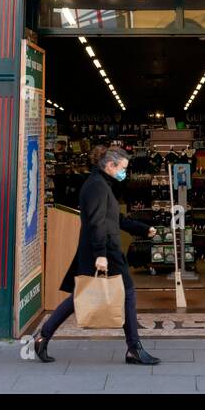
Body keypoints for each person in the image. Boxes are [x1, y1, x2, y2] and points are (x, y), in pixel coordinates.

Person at [33, 147, 160, 365]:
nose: (124, 173)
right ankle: (134, 348)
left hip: (102, 250)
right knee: (127, 294)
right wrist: (101, 255)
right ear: (111, 165)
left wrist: (141, 228)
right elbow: (96, 223)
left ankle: (43, 336)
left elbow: (114, 218)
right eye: (123, 169)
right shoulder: (96, 187)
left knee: (78, 296)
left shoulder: (101, 184)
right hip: (104, 252)